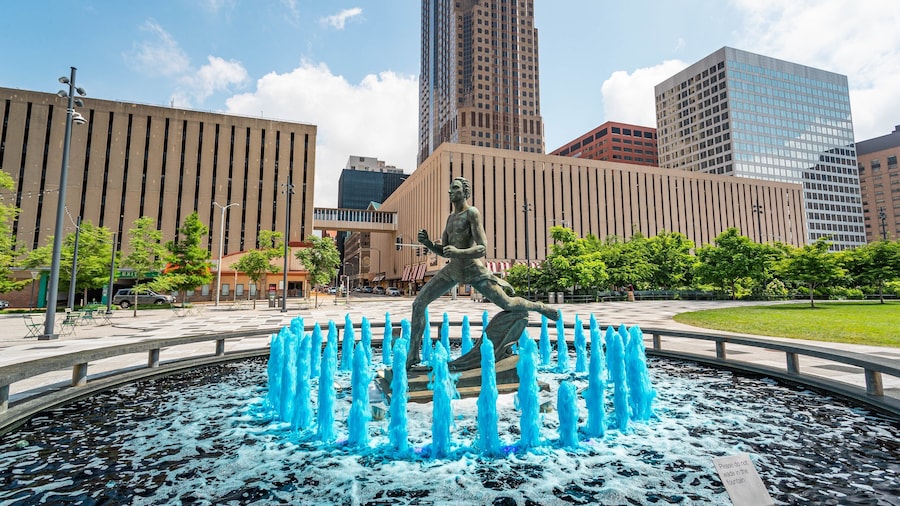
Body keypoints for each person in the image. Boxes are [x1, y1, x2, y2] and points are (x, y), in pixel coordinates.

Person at [407, 176, 558, 368]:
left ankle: (539, 307)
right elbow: (445, 250)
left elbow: (482, 248)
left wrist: (459, 252)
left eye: (455, 188)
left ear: (465, 192)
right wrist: (428, 243)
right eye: (450, 189)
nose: (450, 192)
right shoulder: (450, 218)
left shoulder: (472, 213)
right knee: (418, 303)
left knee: (508, 303)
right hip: (452, 270)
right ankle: (412, 356)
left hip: (472, 269)